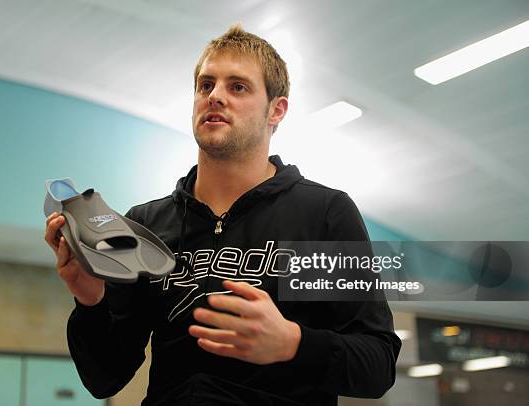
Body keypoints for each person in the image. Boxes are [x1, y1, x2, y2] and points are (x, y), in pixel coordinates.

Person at [44, 25, 401, 406]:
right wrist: (90, 299)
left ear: (276, 110)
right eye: (205, 85)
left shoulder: (322, 214)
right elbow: (105, 378)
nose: (215, 96)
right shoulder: (147, 226)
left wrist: (293, 343)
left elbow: (376, 365)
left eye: (238, 87)